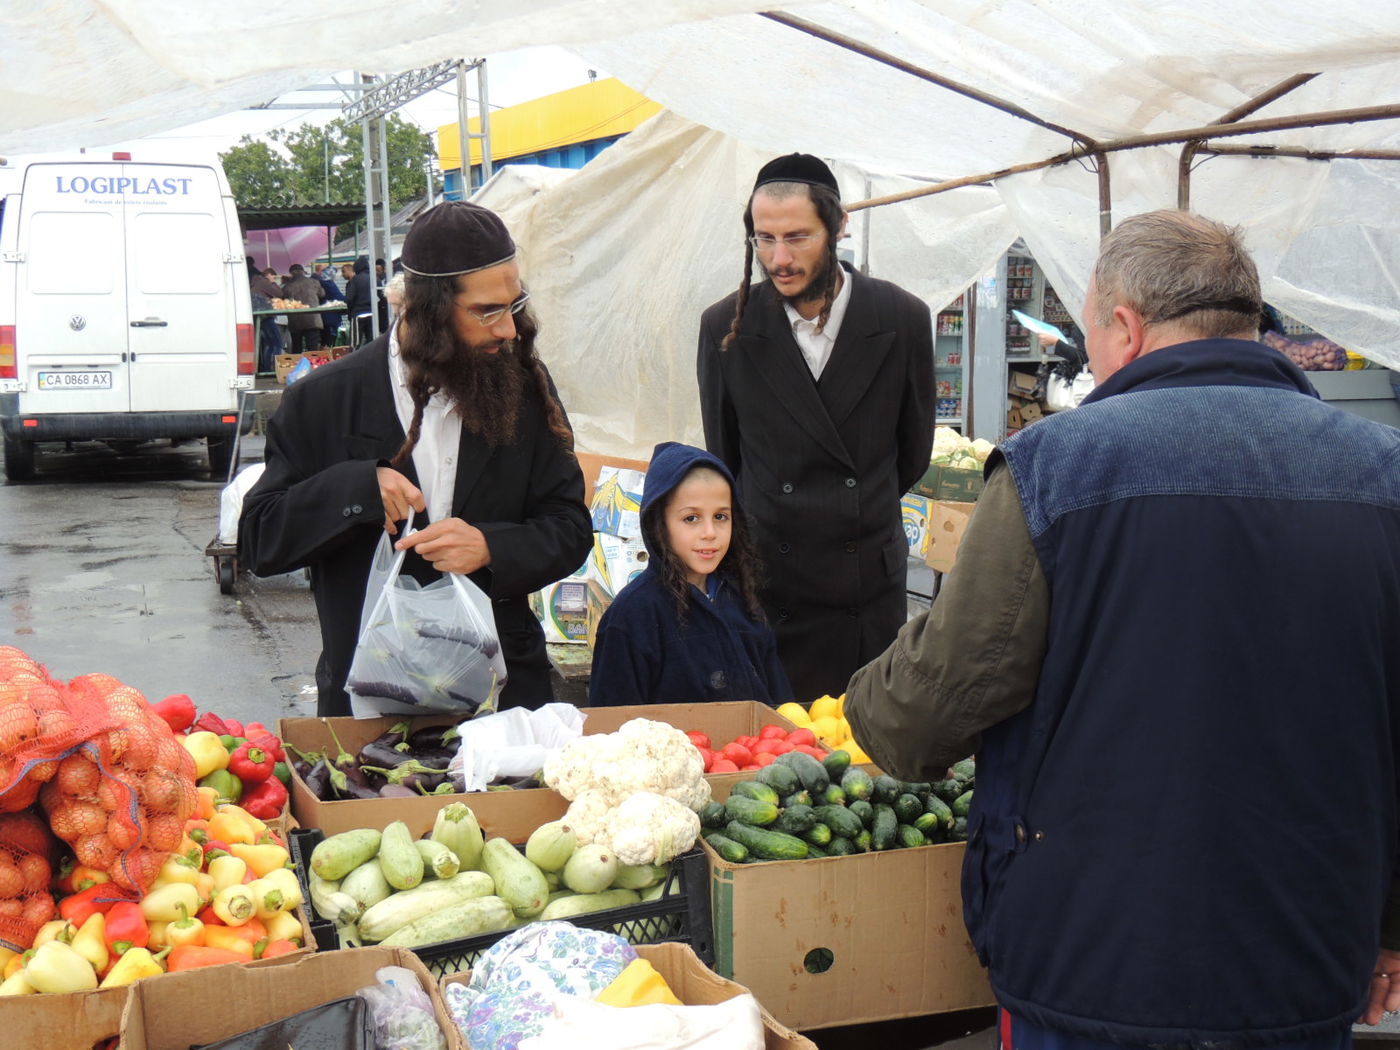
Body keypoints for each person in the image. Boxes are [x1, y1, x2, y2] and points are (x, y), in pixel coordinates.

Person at [844, 210, 1400, 1048]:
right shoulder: (1385, 475)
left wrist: (864, 697)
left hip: (1094, 965)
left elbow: (917, 723)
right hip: (1307, 956)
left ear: (1127, 328)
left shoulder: (1056, 468)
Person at [239, 200, 593, 716]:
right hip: (368, 697)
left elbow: (569, 528)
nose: (508, 330)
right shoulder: (323, 400)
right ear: (424, 310)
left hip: (503, 698)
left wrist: (491, 545)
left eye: (514, 305)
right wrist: (356, 491)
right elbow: (259, 541)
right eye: (486, 311)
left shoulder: (525, 391)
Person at [697, 152, 934, 702]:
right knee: (776, 755)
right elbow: (726, 453)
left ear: (838, 225)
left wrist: (852, 505)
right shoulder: (724, 328)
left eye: (798, 237)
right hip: (772, 582)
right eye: (764, 239)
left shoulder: (901, 318)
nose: (779, 258)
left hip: (864, 587)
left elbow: (912, 452)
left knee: (863, 754)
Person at [589, 442, 792, 707]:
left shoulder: (743, 600)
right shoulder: (632, 616)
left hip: (753, 748)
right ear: (658, 523)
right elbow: (613, 723)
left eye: (721, 516)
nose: (710, 532)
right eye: (691, 518)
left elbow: (782, 707)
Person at [246, 257, 283, 373]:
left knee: (269, 344)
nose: (273, 278)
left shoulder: (252, 281)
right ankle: (275, 369)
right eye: (273, 276)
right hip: (265, 315)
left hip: (257, 316)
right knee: (278, 343)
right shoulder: (263, 281)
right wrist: (273, 283)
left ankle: (266, 368)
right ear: (268, 275)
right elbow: (279, 293)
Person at [281, 263, 326, 354]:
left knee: (297, 348)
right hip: (313, 319)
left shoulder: (287, 287)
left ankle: (298, 366)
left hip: (295, 321)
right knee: (313, 348)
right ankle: (314, 366)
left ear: (291, 273)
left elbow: (283, 299)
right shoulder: (314, 282)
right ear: (303, 272)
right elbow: (322, 294)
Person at [343, 255, 374, 346]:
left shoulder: (355, 280)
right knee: (371, 341)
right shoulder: (374, 279)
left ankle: (353, 359)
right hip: (372, 314)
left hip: (358, 314)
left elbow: (349, 298)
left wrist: (350, 312)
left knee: (355, 343)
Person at [314, 265, 344, 346]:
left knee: (324, 342)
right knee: (330, 343)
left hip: (322, 317)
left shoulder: (320, 282)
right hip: (330, 317)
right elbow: (339, 297)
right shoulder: (329, 284)